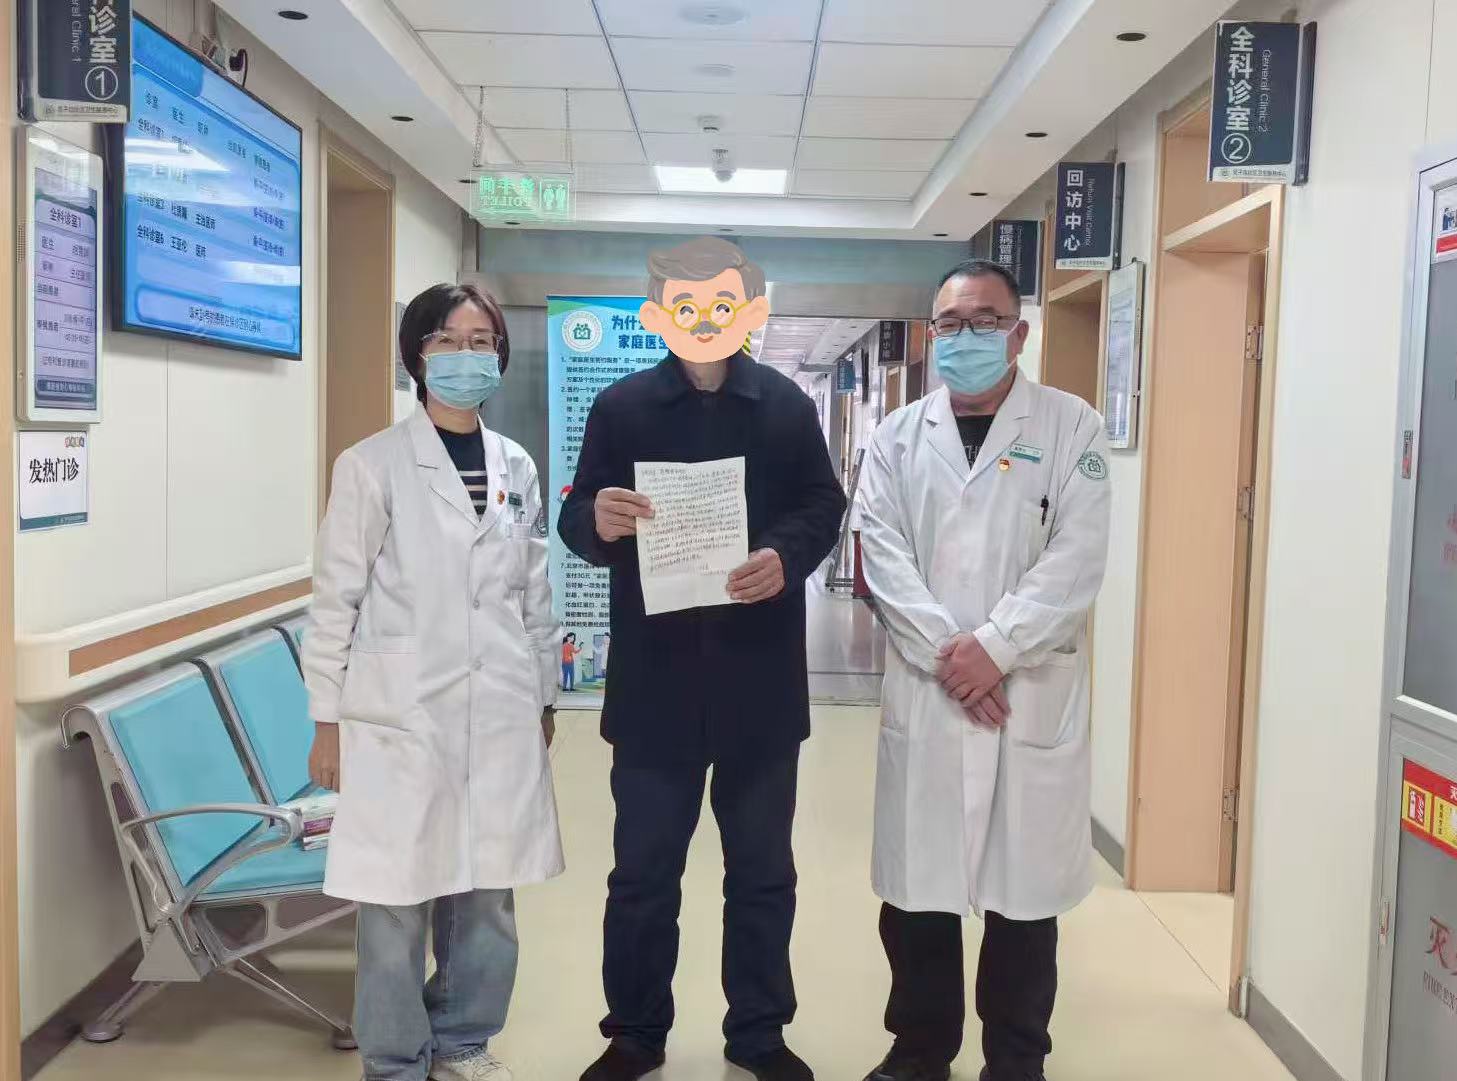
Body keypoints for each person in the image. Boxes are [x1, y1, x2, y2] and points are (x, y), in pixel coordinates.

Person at [559, 237, 846, 1081]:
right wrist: (596, 520)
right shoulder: (620, 407)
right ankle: (634, 1032)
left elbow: (822, 502)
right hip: (655, 683)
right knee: (642, 875)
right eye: (685, 306)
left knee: (762, 873)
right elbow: (577, 514)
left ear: (748, 312)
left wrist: (785, 556)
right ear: (658, 315)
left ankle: (758, 1031)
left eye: (721, 305)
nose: (704, 321)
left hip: (759, 682)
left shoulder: (785, 405)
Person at [856, 260, 1112, 1081]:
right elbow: (881, 555)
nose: (964, 337)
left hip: (1025, 688)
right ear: (932, 333)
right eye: (949, 323)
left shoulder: (1072, 427)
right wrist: (953, 654)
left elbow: (1076, 559)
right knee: (916, 898)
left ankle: (1015, 1056)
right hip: (932, 689)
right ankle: (919, 1050)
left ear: (1018, 332)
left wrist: (994, 648)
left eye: (984, 321)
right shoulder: (897, 436)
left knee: (1022, 901)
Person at [302, 282, 564, 1081]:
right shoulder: (371, 464)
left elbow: (532, 589)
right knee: (394, 898)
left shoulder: (516, 464)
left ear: (499, 355)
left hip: (501, 703)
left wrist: (543, 694)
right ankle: (392, 1060)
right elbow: (335, 597)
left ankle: (461, 1041)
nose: (464, 356)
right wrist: (326, 719)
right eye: (446, 340)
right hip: (401, 714)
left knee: (487, 890)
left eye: (480, 341)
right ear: (416, 356)